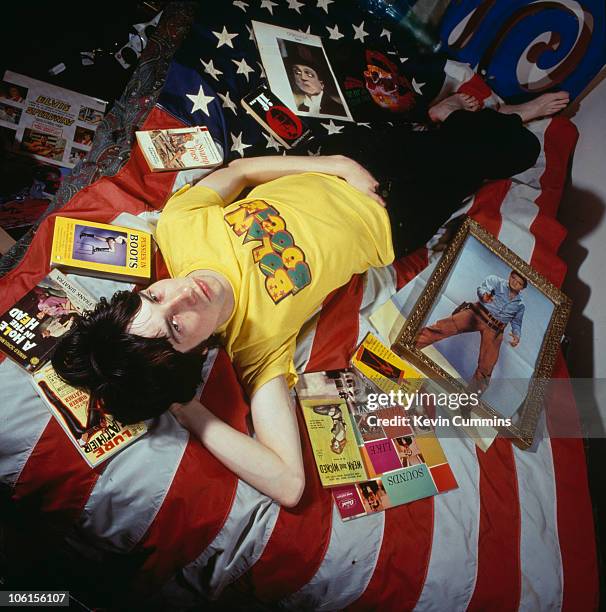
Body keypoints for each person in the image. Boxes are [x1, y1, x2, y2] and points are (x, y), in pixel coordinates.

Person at [52, 91, 566, 507]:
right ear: (195, 353)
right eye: (177, 326)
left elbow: (238, 174)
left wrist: (338, 164)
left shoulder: (179, 228)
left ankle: (450, 120)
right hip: (396, 218)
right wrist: (185, 408)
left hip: (352, 162)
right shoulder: (259, 347)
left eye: (156, 297)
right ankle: (490, 118)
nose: (183, 294)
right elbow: (288, 484)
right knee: (512, 151)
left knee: (418, 139)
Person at [415, 270, 527, 394]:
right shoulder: (496, 281)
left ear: (523, 287)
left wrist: (517, 335)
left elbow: (517, 322)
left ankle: (468, 402)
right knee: (442, 328)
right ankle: (409, 345)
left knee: (486, 367)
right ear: (510, 276)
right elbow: (483, 288)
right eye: (513, 278)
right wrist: (484, 296)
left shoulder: (520, 304)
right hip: (478, 314)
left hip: (495, 329)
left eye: (519, 282)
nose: (514, 282)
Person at [286, 45, 346, 117]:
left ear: (322, 84)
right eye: (297, 72)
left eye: (309, 74)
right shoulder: (301, 108)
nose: (303, 77)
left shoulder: (338, 109)